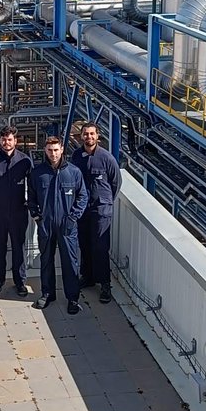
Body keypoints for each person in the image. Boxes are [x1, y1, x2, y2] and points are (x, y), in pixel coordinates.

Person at [28, 136, 88, 314]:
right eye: (49, 150)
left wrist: (73, 218)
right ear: (45, 151)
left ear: (62, 149)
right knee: (46, 260)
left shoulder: (74, 172)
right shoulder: (38, 173)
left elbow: (82, 196)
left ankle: (72, 298)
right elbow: (31, 197)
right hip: (46, 225)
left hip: (67, 226)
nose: (53, 154)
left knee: (70, 262)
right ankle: (47, 293)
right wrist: (36, 216)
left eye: (56, 150)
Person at [71, 123, 122, 304]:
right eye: (86, 134)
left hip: (101, 210)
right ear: (81, 136)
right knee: (84, 244)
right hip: (82, 209)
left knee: (100, 247)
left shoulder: (106, 158)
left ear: (97, 136)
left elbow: (116, 182)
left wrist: (105, 201)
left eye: (92, 134)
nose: (89, 137)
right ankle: (88, 277)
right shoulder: (76, 156)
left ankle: (105, 284)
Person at [0, 127, 33, 296]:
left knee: (19, 248)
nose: (6, 142)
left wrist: (28, 200)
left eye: (9, 139)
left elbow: (32, 183)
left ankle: (20, 282)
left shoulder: (24, 161)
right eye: (3, 140)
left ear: (15, 141)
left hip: (19, 211)